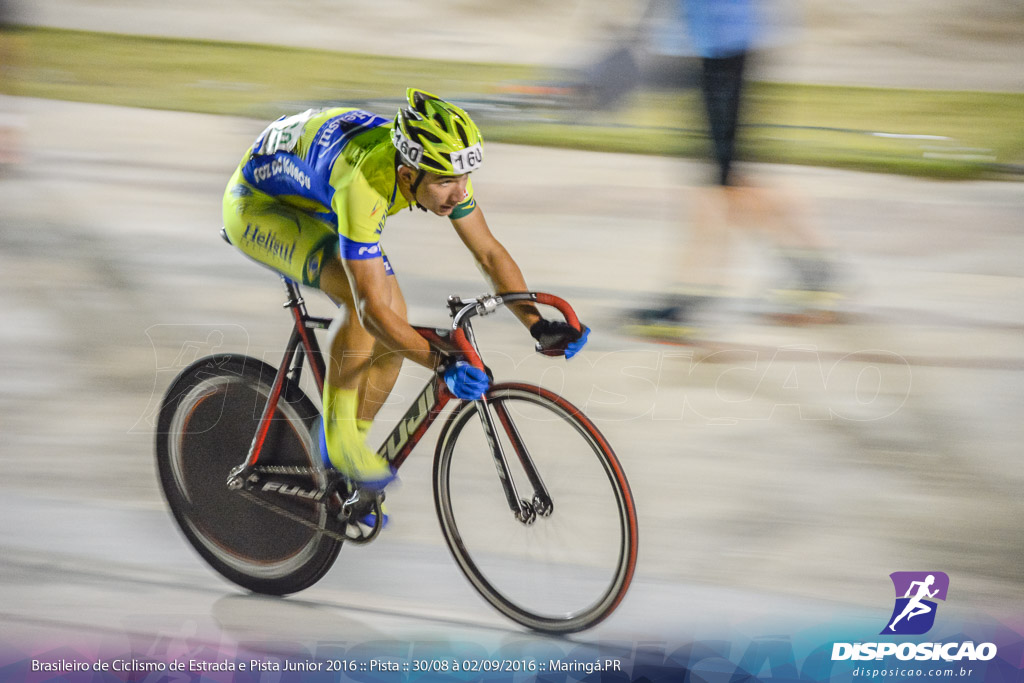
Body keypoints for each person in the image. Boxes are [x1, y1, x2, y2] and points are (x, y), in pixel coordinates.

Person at [222, 88, 589, 496]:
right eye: (446, 181)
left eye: (464, 177)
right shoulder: (364, 184)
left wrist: (536, 324)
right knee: (371, 309)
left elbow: (487, 251)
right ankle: (338, 441)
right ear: (407, 175)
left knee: (396, 321)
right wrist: (439, 363)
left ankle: (349, 456)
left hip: (314, 193)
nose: (459, 192)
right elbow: (372, 312)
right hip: (259, 206)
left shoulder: (430, 165)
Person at [627, 0, 838, 341]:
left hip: (722, 46)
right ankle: (820, 277)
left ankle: (687, 301)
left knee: (719, 182)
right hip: (714, 46)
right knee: (726, 177)